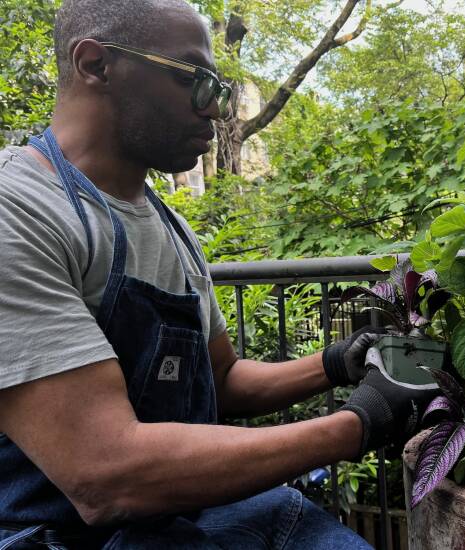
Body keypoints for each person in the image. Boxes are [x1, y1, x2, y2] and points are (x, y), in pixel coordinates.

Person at [0, 1, 438, 548]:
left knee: (288, 514)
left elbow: (223, 380)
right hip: (58, 536)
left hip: (176, 521)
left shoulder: (173, 229)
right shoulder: (18, 213)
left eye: (221, 87)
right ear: (95, 65)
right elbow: (105, 474)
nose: (217, 109)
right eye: (195, 79)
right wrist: (359, 423)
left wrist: (338, 361)